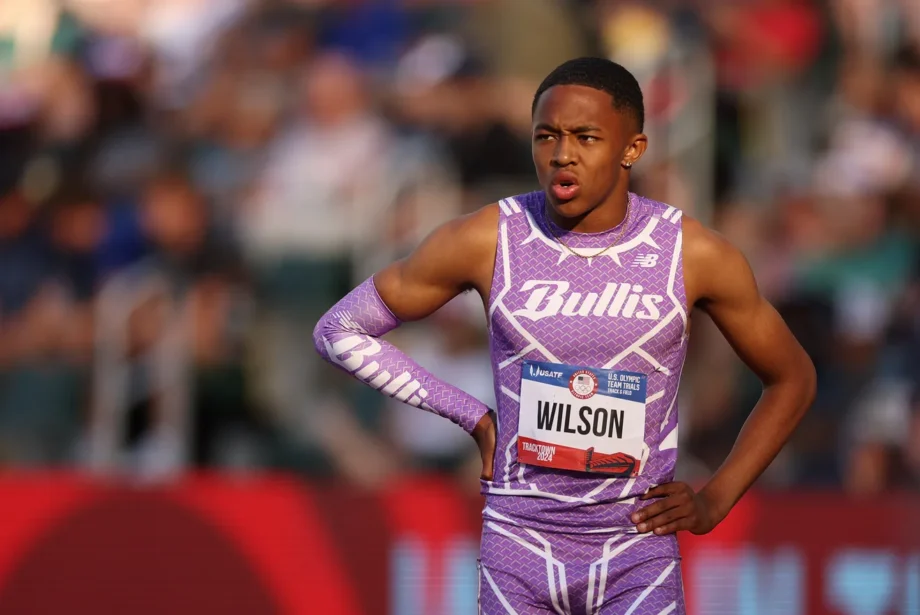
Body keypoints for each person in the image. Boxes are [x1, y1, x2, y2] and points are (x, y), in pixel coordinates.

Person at [313, 57, 816, 614]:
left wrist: (716, 500)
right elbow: (340, 329)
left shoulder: (693, 254)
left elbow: (792, 378)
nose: (562, 154)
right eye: (546, 136)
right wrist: (472, 417)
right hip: (519, 545)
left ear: (633, 148)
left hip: (636, 550)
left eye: (586, 136)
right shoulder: (488, 238)